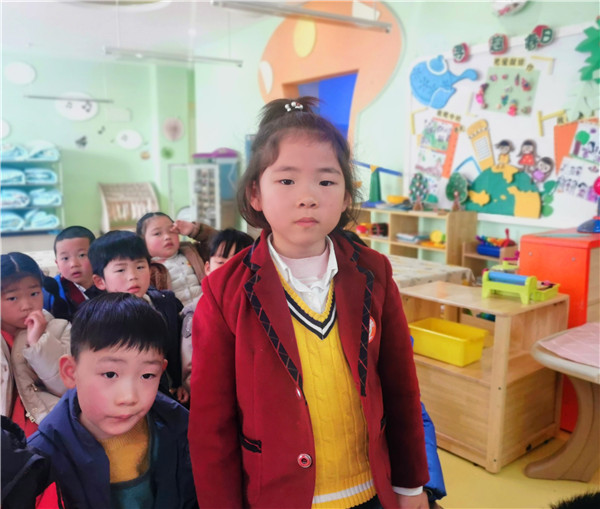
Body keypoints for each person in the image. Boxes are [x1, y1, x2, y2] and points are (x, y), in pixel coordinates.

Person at [189, 97, 429, 508]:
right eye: (286, 181)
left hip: (372, 490)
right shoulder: (224, 291)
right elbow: (211, 424)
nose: (308, 197)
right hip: (277, 497)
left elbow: (401, 387)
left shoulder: (374, 271)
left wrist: (411, 487)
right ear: (256, 193)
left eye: (326, 181)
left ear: (347, 195)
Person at [28, 293, 198, 509]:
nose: (129, 397)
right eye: (110, 374)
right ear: (71, 372)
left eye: (147, 375)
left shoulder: (180, 430)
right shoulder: (42, 459)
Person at [87, 230, 186, 404]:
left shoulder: (166, 302)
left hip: (172, 395)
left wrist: (180, 383)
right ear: (100, 281)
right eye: (120, 269)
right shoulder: (98, 319)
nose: (133, 276)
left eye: (140, 267)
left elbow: (176, 349)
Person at [1, 253, 71, 436]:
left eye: (34, 293)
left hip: (47, 431)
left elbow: (66, 386)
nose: (26, 305)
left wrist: (38, 343)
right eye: (12, 298)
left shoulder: (60, 329)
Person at [180, 227, 254, 393]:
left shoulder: (258, 308)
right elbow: (191, 368)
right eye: (221, 263)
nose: (229, 270)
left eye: (239, 264)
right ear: (207, 268)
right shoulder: (195, 312)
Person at [136, 212, 216, 307]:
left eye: (172, 231)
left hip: (209, 309)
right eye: (157, 233)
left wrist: (194, 230)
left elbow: (220, 242)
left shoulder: (193, 252)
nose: (167, 237)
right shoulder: (145, 269)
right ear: (142, 241)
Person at [43, 225, 96, 321]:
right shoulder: (50, 291)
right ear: (57, 264)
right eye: (65, 258)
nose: (73, 264)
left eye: (82, 255)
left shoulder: (109, 283)